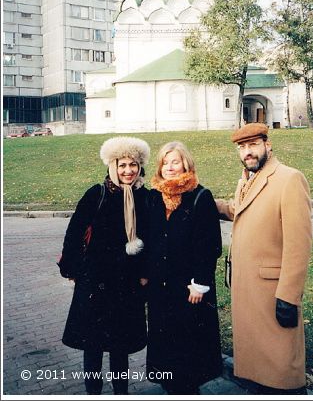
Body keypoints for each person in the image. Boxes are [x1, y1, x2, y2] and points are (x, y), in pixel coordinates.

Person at [216, 123, 312, 395]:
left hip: (273, 292)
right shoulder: (249, 178)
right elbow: (240, 210)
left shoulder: (289, 179)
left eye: (253, 145)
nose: (248, 152)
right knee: (258, 370)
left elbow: (298, 244)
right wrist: (209, 204)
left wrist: (289, 296)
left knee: (281, 371)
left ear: (267, 145)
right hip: (249, 290)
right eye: (242, 148)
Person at [58, 136, 150, 395]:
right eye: (122, 165)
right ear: (112, 166)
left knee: (119, 346)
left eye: (133, 165)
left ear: (140, 166)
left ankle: (121, 391)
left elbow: (152, 239)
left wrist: (144, 274)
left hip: (126, 283)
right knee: (94, 344)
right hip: (96, 281)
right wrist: (72, 268)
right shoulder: (95, 194)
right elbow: (74, 232)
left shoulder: (145, 197)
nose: (128, 171)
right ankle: (93, 392)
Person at [145, 141, 222, 395]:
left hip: (189, 289)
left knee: (189, 357)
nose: (169, 167)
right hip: (160, 289)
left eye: (175, 162)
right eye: (165, 163)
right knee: (166, 354)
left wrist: (200, 282)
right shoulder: (153, 197)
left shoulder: (200, 196)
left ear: (186, 164)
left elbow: (209, 245)